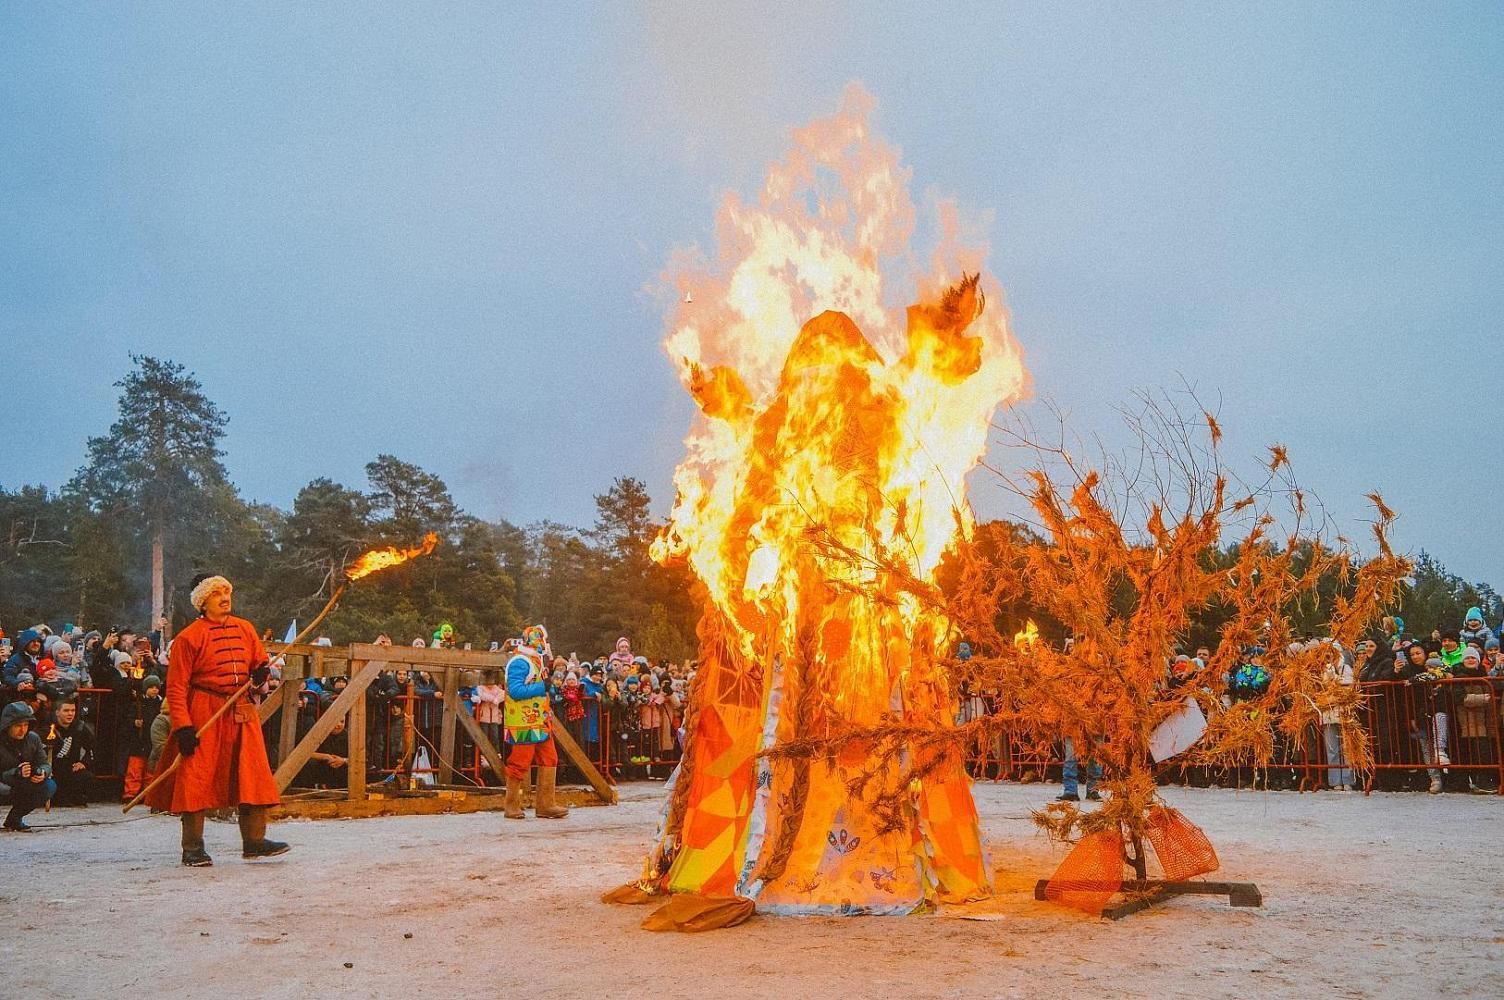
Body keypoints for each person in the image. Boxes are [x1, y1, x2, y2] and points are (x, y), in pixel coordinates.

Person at [145, 573, 288, 866]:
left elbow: (259, 665)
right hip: (204, 709)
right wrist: (183, 726)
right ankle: (193, 847)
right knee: (196, 777)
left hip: (240, 708)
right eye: (216, 594)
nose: (225, 598)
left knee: (252, 773)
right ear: (203, 602)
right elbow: (175, 687)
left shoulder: (245, 629)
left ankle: (254, 841)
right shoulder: (188, 638)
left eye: (226, 592)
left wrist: (260, 674)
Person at [502, 624, 568, 820]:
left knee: (550, 758)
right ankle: (511, 804)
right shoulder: (520, 662)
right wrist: (543, 687)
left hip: (540, 719)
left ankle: (546, 804)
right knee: (520, 761)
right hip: (523, 721)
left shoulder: (536, 661)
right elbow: (515, 691)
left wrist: (551, 688)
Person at [0, 701, 55, 831]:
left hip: (22, 784)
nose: (22, 729)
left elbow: (45, 763)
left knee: (49, 785)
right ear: (7, 726)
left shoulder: (33, 738)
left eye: (25, 725)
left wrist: (42, 772)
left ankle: (14, 818)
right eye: (18, 725)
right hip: (3, 783)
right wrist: (15, 772)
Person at [44, 699, 95, 806]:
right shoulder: (47, 728)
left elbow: (91, 746)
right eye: (66, 710)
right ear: (57, 712)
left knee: (87, 777)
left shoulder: (79, 727)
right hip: (52, 770)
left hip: (70, 768)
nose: (70, 714)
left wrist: (84, 762)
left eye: (73, 710)